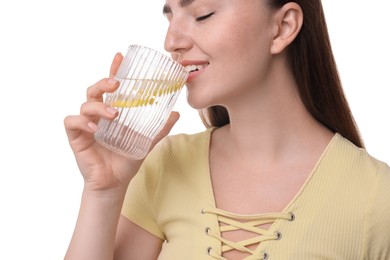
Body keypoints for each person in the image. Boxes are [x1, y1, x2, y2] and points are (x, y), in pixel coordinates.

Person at [64, 0, 390, 259]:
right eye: (170, 17)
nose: (171, 42)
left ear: (282, 27)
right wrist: (103, 191)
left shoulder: (378, 199)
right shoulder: (166, 163)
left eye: (202, 14)